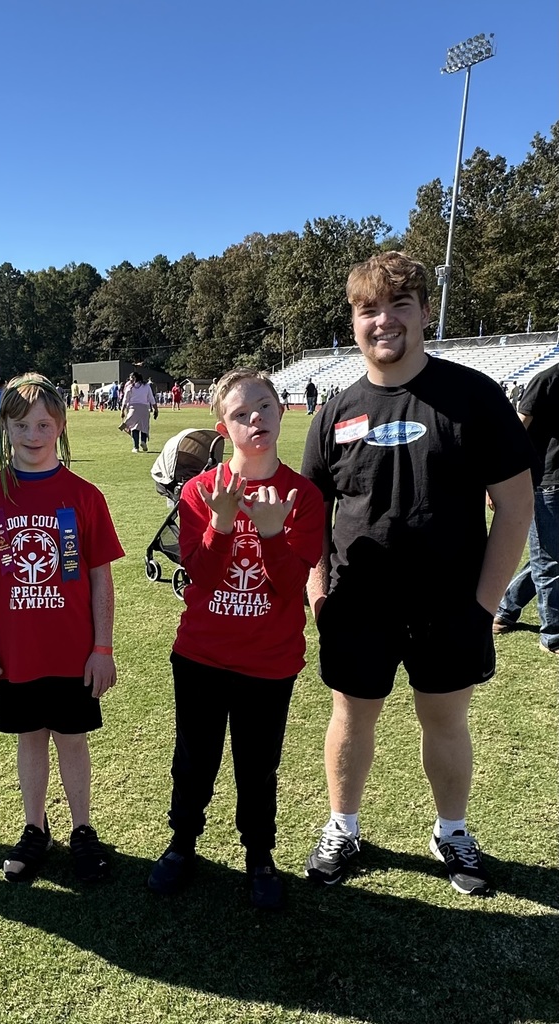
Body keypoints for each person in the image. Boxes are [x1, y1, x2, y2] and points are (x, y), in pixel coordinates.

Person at [301, 251, 534, 897]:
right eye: (369, 309)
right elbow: (311, 515)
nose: (384, 321)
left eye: (399, 305)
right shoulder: (335, 412)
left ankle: (452, 831)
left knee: (445, 719)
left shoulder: (474, 398)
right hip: (357, 604)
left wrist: (485, 604)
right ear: (354, 321)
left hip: (451, 605)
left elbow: (516, 509)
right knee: (351, 717)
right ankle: (343, 827)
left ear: (426, 311)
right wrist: (318, 590)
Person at [147, 367, 324, 909]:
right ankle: (182, 843)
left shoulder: (302, 495)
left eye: (264, 407)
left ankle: (260, 855)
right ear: (224, 429)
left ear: (281, 410)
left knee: (258, 765)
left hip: (269, 661)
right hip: (201, 654)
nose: (256, 420)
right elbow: (199, 575)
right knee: (193, 759)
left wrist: (270, 531)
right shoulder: (200, 490)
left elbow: (291, 584)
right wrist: (222, 522)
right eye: (241, 414)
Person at [0, 374, 124, 883]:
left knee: (72, 738)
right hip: (15, 653)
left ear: (61, 425)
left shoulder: (84, 496)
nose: (33, 434)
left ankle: (83, 830)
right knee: (29, 738)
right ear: (4, 426)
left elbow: (101, 579)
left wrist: (103, 647)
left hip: (73, 652)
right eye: (22, 424)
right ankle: (34, 828)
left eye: (44, 424)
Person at [492, 361, 559, 656]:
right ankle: (553, 635)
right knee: (549, 561)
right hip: (546, 482)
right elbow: (515, 431)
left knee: (549, 556)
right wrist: (499, 481)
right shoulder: (546, 379)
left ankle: (505, 610)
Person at [120, 372, 157, 453]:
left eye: (131, 378)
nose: (129, 380)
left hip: (133, 409)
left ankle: (136, 447)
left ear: (134, 378)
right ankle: (143, 441)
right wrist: (155, 409)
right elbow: (151, 398)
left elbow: (125, 400)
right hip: (144, 409)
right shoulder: (146, 386)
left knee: (134, 427)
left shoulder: (130, 387)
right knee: (144, 427)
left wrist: (122, 410)